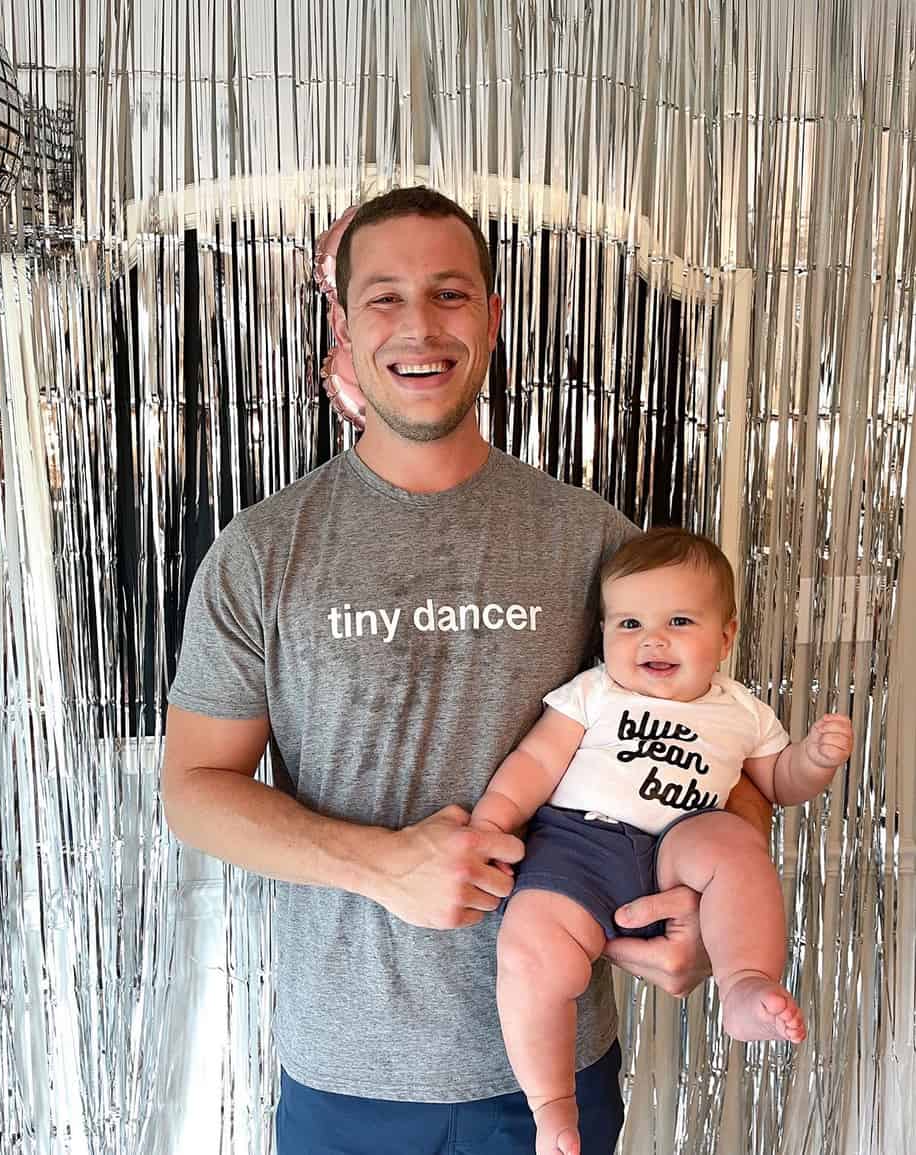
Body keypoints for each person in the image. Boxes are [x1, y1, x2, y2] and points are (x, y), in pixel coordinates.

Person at [161, 186, 774, 1155]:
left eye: (450, 295)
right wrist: (383, 864)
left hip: (548, 1081)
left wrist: (708, 912)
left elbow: (721, 753)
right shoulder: (261, 552)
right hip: (344, 1075)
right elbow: (194, 793)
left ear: (491, 319)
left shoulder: (592, 542)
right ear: (344, 323)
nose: (419, 327)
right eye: (385, 297)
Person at [470, 527, 854, 1155]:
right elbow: (536, 762)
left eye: (679, 620)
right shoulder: (594, 692)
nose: (651, 638)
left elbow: (779, 783)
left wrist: (815, 759)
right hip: (579, 845)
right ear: (604, 634)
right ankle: (552, 1106)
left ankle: (744, 983)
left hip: (681, 845)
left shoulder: (744, 711)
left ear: (725, 636)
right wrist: (493, 819)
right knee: (533, 950)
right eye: (628, 624)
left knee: (736, 848)